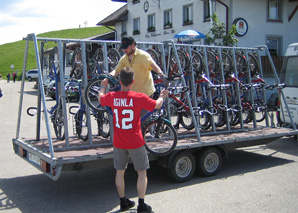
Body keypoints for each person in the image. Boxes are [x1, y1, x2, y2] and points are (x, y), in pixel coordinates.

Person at [98, 67, 168, 213]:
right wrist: (162, 95)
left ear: (120, 81)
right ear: (133, 82)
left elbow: (100, 98)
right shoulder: (138, 97)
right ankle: (141, 205)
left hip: (119, 141)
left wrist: (103, 85)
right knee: (142, 173)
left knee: (120, 172)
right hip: (135, 141)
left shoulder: (113, 96)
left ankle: (123, 201)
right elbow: (157, 105)